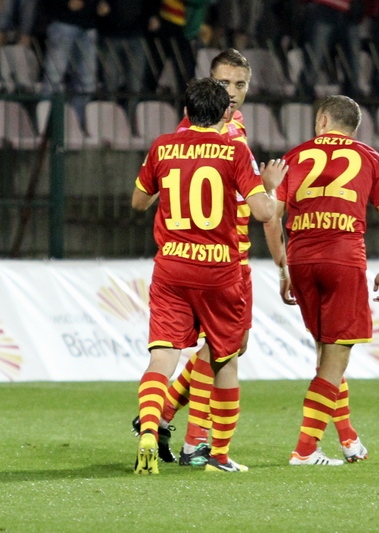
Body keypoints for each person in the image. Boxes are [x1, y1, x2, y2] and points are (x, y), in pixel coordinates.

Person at [131, 77, 287, 474]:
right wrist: (269, 187)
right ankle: (217, 455)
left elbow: (139, 202)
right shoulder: (234, 150)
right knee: (225, 360)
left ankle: (149, 429)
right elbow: (263, 213)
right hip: (219, 270)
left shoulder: (163, 146)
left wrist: (168, 184)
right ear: (225, 115)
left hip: (171, 268)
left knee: (162, 356)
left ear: (186, 112)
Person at [264, 95, 379, 466]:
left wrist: (283, 267)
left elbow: (271, 217)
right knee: (335, 358)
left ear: (323, 120)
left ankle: (348, 437)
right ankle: (305, 449)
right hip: (343, 260)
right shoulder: (372, 159)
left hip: (302, 261)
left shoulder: (294, 157)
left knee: (326, 355)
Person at [40, 0, 109, 127]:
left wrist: (99, 4)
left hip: (89, 26)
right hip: (63, 23)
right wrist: (65, 3)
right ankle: (46, 127)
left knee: (87, 83)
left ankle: (74, 126)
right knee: (53, 79)